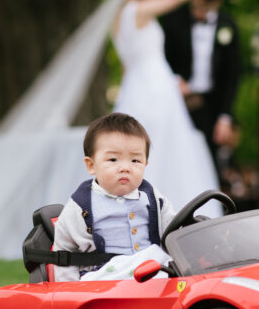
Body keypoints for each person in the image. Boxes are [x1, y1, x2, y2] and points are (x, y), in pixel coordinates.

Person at [110, 0, 222, 217]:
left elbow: (128, 64)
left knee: (134, 152)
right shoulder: (140, 9)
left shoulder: (118, 18)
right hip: (155, 91)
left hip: (133, 90)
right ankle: (166, 214)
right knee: (163, 150)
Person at [52, 113, 176, 281]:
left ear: (145, 163)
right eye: (113, 159)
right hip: (104, 276)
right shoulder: (81, 205)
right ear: (91, 165)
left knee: (168, 264)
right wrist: (68, 289)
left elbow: (174, 230)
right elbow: (64, 249)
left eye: (135, 161)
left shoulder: (153, 197)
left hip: (150, 270)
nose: (125, 167)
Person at [162, 0, 242, 180]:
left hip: (211, 106)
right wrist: (174, 81)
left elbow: (232, 74)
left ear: (217, 1)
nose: (198, 13)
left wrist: (225, 116)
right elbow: (160, 60)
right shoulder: (173, 21)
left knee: (209, 164)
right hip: (178, 103)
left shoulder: (228, 26)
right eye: (195, 6)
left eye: (204, 7)